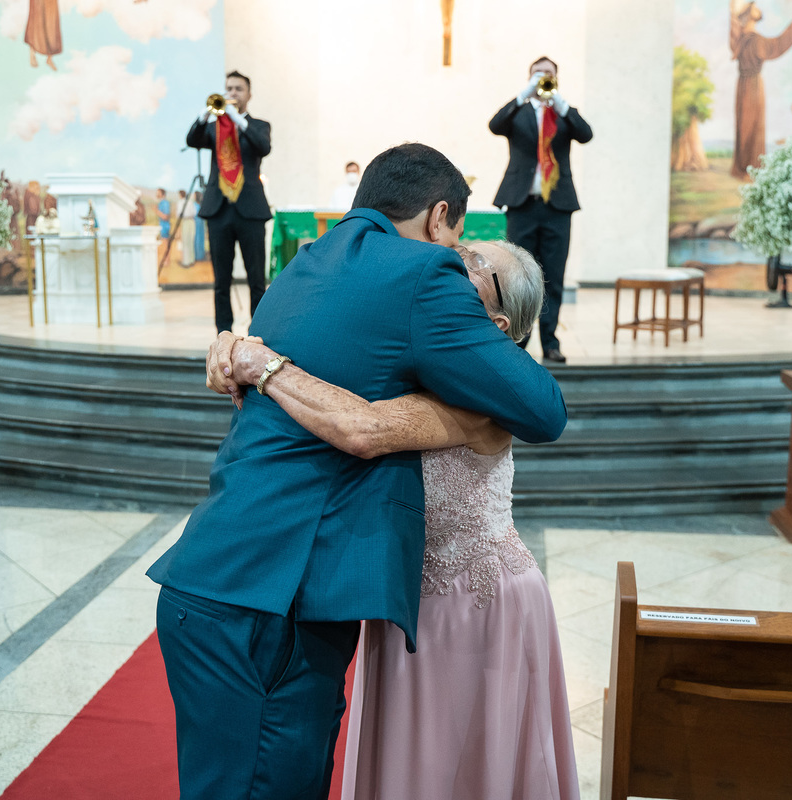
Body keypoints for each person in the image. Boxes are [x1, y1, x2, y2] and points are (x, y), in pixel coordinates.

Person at [147, 143, 567, 799]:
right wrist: (472, 415)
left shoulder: (304, 264)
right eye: (459, 237)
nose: (456, 258)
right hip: (273, 604)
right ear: (438, 218)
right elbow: (544, 409)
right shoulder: (426, 274)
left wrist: (256, 361)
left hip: (208, 578)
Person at [489, 55, 593, 364]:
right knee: (518, 274)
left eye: (548, 74)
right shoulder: (518, 112)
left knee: (553, 276)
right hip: (522, 205)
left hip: (557, 206)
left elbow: (586, 134)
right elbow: (495, 125)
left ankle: (550, 342)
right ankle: (519, 342)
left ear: (557, 79)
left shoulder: (563, 114)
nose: (542, 78)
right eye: (538, 73)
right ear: (529, 77)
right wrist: (524, 94)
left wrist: (559, 102)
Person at [186, 70, 273, 332]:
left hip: (250, 210)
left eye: (238, 89)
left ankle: (258, 332)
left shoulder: (258, 125)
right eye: (229, 88)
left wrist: (239, 121)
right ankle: (223, 333)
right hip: (219, 209)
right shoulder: (213, 128)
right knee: (220, 281)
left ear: (249, 95)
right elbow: (192, 140)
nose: (233, 93)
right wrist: (203, 117)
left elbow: (263, 147)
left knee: (256, 279)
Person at [729, 0, 792, 179]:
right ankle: (747, 168)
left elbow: (777, 44)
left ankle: (745, 168)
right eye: (754, 6)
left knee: (748, 124)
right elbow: (778, 44)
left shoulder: (745, 40)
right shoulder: (751, 39)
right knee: (749, 124)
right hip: (752, 86)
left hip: (745, 84)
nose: (758, 7)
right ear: (749, 13)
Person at [155, 188, 171, 268]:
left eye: (158, 193)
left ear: (162, 194)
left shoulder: (165, 203)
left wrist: (156, 211)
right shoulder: (161, 203)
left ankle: (166, 261)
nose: (156, 194)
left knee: (165, 244)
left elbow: (166, 216)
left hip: (165, 226)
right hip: (162, 226)